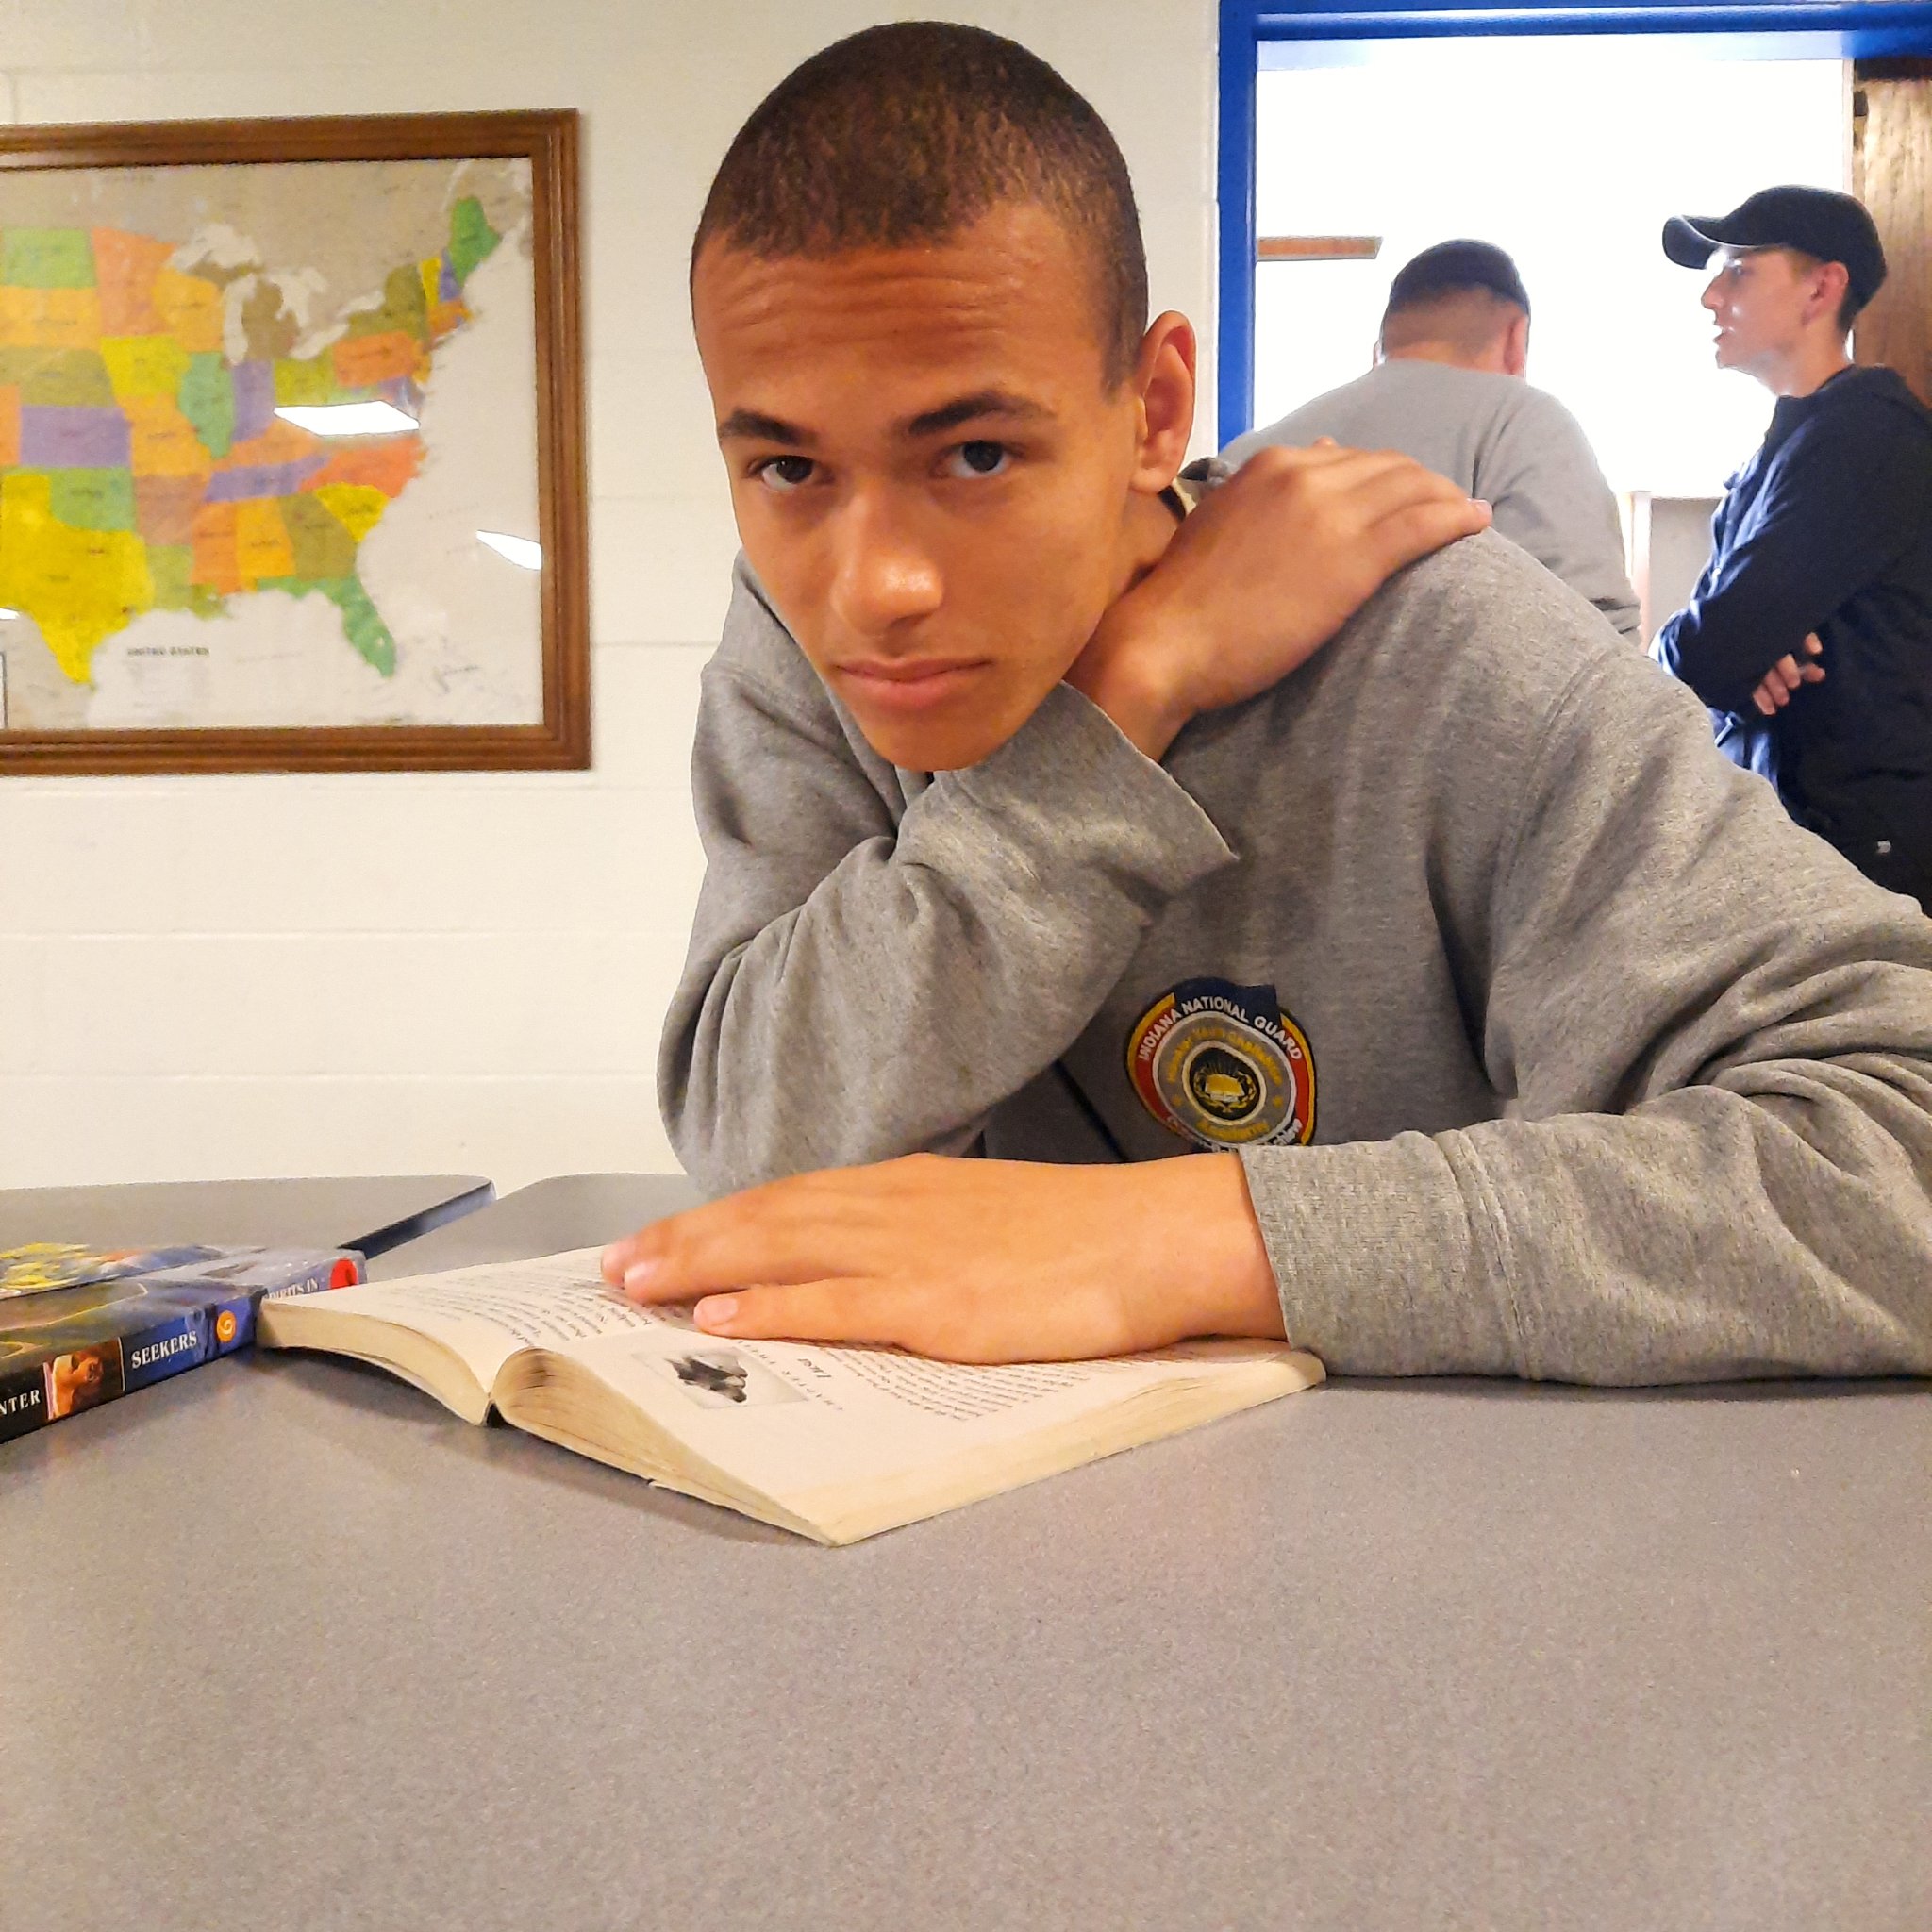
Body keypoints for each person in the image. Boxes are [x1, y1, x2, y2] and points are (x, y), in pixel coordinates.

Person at [603, 24, 1932, 1385]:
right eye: (787, 469)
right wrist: (1124, 699)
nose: (877, 586)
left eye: (977, 452)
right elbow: (760, 1148)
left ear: (1153, 408)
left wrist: (1181, 1242)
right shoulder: (799, 635)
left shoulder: (1442, 636)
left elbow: (1903, 1139)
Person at [1652, 185, 1932, 910]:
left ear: (1822, 287)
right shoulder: (1787, 448)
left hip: (1868, 861)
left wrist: (1726, 654)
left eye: (1739, 271)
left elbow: (1711, 653)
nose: (1710, 297)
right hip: (1807, 847)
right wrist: (1733, 659)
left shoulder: (1864, 435)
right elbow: (1717, 655)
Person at [1224, 240, 1640, 641]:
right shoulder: (1525, 423)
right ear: (1517, 338)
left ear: (1379, 350)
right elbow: (1597, 649)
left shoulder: (1250, 454)